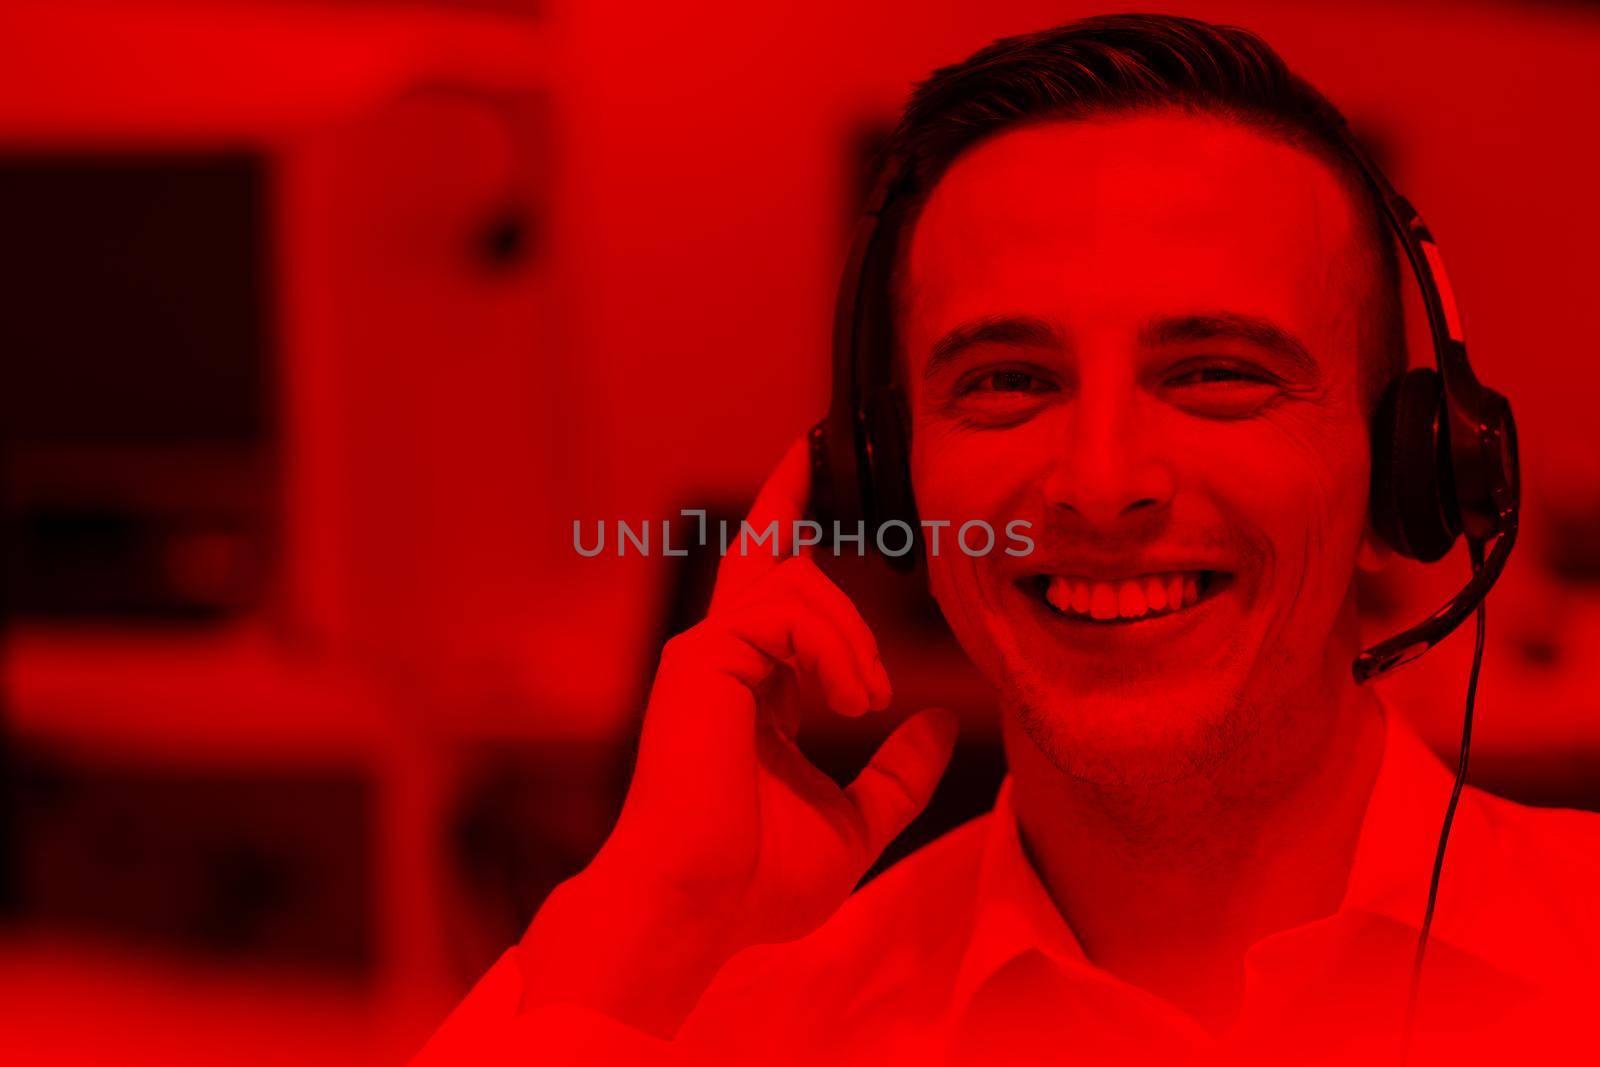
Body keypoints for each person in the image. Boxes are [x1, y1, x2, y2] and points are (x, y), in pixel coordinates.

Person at [417, 15, 1597, 1065]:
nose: (1099, 481)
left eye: (1217, 375)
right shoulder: (731, 1020)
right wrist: (647, 915)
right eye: (1008, 381)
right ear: (887, 471)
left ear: (1407, 477)